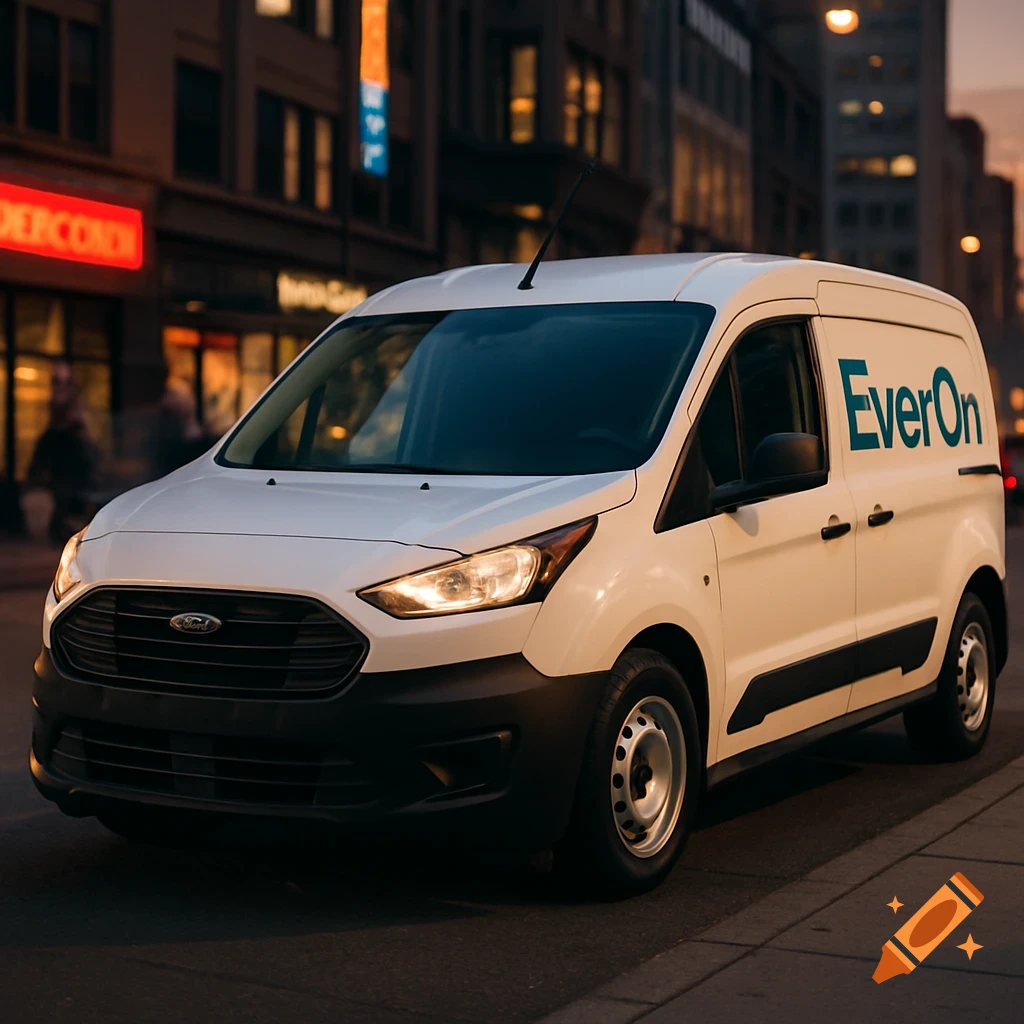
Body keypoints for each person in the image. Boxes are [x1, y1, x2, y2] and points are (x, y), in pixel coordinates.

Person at [26, 363, 100, 546]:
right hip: (58, 507)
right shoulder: (50, 433)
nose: (61, 388)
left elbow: (93, 465)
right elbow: (38, 468)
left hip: (78, 505)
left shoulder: (82, 430)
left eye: (67, 382)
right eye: (56, 382)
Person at [153, 377, 213, 478]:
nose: (167, 399)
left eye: (174, 395)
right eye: (172, 395)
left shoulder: (203, 433)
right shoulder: (166, 433)